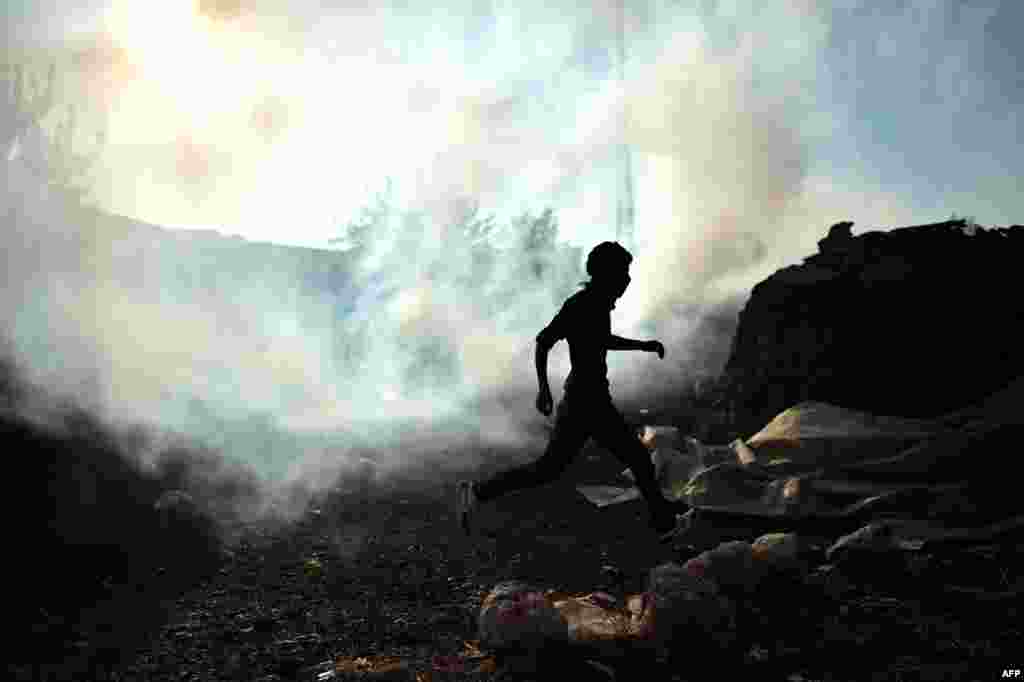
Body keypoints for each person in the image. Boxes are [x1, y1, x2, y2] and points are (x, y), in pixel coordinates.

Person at [456, 241, 681, 541]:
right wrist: (543, 390)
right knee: (632, 458)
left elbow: (601, 339)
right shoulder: (580, 305)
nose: (626, 279)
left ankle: (479, 491)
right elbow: (543, 340)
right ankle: (663, 521)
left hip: (589, 399)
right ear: (605, 274)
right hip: (584, 402)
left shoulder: (598, 303)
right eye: (622, 272)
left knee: (551, 469)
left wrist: (643, 345)